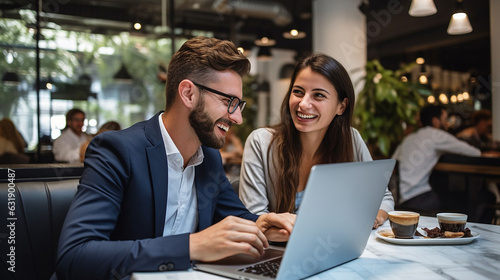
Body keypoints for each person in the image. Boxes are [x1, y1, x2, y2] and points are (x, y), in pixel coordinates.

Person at [52, 36, 295, 280]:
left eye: (238, 105)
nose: (237, 118)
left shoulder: (208, 157)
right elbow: (75, 256)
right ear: (188, 93)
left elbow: (236, 217)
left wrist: (262, 225)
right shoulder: (117, 151)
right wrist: (193, 245)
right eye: (227, 102)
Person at [238, 53, 394, 229]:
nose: (303, 104)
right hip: (276, 252)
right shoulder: (261, 141)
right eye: (298, 92)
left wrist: (375, 218)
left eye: (318, 95)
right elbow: (254, 218)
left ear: (341, 106)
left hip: (333, 247)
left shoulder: (351, 139)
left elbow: (382, 197)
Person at [392, 105, 482, 214]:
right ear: (435, 121)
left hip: (397, 199)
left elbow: (392, 164)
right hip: (418, 198)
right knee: (467, 202)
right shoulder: (437, 135)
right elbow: (474, 152)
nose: (447, 124)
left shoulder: (409, 138)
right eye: (445, 120)